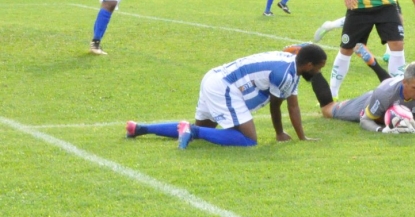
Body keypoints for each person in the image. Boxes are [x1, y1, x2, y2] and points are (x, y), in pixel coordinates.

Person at [126, 45, 327, 148]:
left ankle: (140, 129)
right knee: (248, 140)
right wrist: (279, 133)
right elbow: (277, 106)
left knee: (207, 132)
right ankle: (192, 131)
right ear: (309, 65)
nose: (319, 72)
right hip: (225, 88)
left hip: (214, 77)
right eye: (319, 67)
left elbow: (294, 106)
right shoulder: (285, 74)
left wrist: (302, 137)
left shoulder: (292, 66)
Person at [323, 62, 415, 134]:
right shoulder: (385, 94)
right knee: (328, 111)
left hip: (382, 106)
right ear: (404, 82)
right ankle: (314, 73)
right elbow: (365, 120)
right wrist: (382, 130)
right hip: (367, 102)